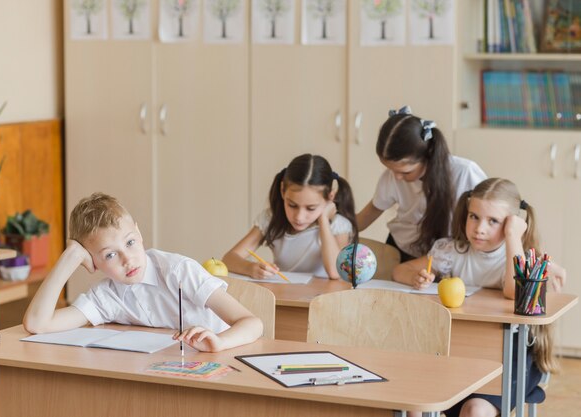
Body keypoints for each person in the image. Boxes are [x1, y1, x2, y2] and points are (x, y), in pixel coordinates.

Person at [393, 178, 566, 417]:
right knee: (415, 403)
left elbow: (514, 291)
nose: (479, 228)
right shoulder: (452, 252)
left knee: (474, 410)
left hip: (509, 361)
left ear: (510, 224)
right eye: (474, 216)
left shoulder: (518, 258)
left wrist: (513, 237)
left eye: (493, 221)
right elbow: (399, 270)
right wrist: (416, 277)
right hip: (456, 354)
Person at [23, 193, 262, 353]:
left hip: (216, 364)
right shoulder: (106, 297)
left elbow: (251, 323)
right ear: (92, 261)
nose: (128, 260)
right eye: (109, 255)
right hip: (162, 373)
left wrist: (220, 343)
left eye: (129, 243)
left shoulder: (179, 271)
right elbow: (37, 323)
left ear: (138, 232)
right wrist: (71, 256)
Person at [356, 106, 486, 262]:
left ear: (428, 156)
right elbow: (371, 211)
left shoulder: (465, 173)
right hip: (403, 251)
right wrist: (338, 226)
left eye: (406, 172)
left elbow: (490, 214)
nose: (397, 177)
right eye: (391, 169)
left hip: (450, 256)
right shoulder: (392, 176)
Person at [223, 154, 357, 279]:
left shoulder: (338, 226)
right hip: (284, 298)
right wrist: (250, 268)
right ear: (282, 191)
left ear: (330, 197)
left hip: (322, 300)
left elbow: (335, 272)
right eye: (292, 205)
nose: (299, 217)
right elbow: (229, 259)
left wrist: (323, 220)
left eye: (311, 208)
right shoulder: (270, 219)